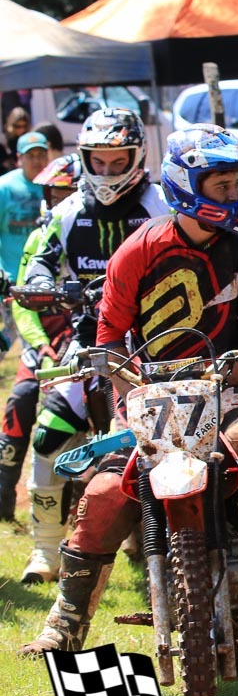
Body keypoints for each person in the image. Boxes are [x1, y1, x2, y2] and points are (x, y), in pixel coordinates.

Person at [20, 124, 238, 655]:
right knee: (104, 493)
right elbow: (109, 340)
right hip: (146, 390)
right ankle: (66, 620)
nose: (236, 195)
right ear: (186, 186)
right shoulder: (136, 251)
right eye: (222, 185)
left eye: (237, 184)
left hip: (220, 386)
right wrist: (127, 389)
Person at [15, 108, 171, 585]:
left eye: (117, 160)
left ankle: (169, 542)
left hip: (154, 346)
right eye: (97, 161)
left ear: (138, 156)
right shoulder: (66, 212)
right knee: (48, 435)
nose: (106, 170)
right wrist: (42, 286)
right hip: (89, 345)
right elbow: (39, 261)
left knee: (165, 439)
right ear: (83, 158)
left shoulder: (163, 206)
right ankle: (45, 551)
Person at [0, 154, 80, 521]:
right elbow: (21, 301)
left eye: (67, 195)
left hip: (88, 340)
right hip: (44, 341)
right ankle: (4, 496)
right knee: (20, 399)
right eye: (54, 194)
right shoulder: (37, 238)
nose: (59, 202)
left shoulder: (97, 236)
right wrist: (39, 344)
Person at [0, 131, 50, 279]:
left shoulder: (56, 186)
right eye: (30, 155)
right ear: (19, 158)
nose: (36, 160)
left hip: (46, 277)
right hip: (11, 275)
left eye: (41, 154)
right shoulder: (4, 187)